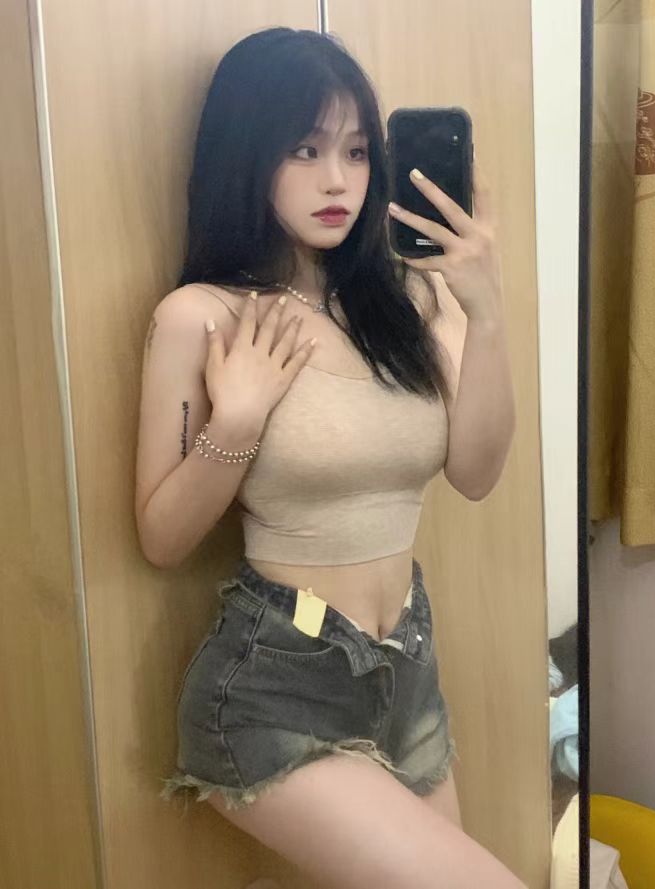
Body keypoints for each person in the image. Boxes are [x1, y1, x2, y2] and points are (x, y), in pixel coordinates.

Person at [135, 27, 521, 889]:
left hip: (405, 667)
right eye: (304, 150)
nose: (338, 180)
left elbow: (476, 472)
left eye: (355, 150)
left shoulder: (411, 298)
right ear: (247, 154)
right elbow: (161, 537)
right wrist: (238, 420)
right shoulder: (202, 316)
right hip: (275, 684)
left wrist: (486, 313)